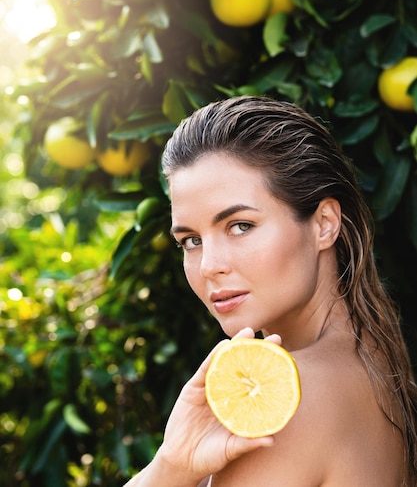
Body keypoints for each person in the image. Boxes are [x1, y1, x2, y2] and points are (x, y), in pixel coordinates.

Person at [124, 95, 417, 486]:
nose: (209, 265)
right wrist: (174, 463)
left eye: (240, 226)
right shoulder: (374, 357)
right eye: (191, 240)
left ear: (324, 224)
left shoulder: (287, 401)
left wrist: (166, 473)